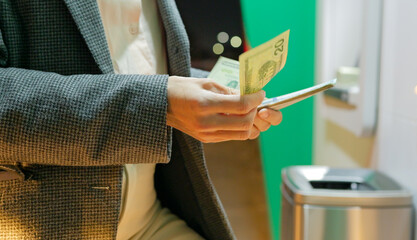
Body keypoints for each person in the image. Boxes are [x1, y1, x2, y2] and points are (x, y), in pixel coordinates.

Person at [0, 0, 282, 239]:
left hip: (151, 216)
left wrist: (216, 94)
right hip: (46, 223)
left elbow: (141, 68)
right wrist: (161, 104)